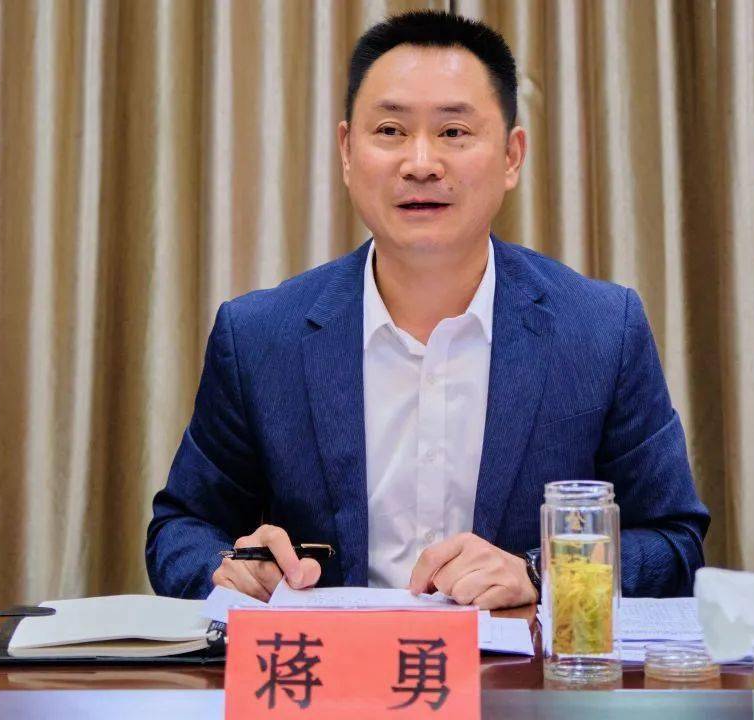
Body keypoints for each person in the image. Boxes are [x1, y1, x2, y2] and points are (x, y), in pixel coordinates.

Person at [146, 10, 709, 609]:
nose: (420, 163)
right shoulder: (260, 337)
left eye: (453, 132)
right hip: (331, 667)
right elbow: (182, 529)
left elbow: (673, 542)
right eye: (390, 130)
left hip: (514, 669)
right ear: (346, 151)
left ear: (512, 156)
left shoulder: (600, 330)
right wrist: (227, 572)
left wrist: (541, 572)